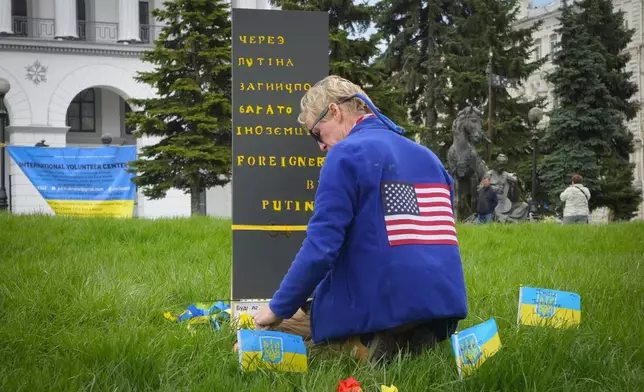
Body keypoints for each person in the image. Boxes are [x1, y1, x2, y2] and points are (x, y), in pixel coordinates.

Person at [252, 75, 468, 364]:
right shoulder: (429, 157)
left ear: (335, 111)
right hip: (443, 306)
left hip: (380, 301)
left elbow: (321, 248)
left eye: (317, 133)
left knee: (259, 334)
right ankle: (406, 337)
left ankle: (358, 345)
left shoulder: (346, 153)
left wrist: (277, 308)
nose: (321, 146)